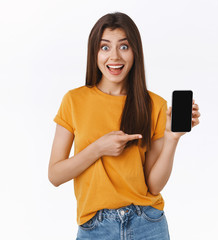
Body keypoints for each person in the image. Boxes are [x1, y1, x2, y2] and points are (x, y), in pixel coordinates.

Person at [48, 12, 201, 240]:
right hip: (95, 227)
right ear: (94, 53)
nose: (115, 57)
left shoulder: (154, 105)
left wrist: (172, 138)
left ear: (135, 52)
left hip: (147, 223)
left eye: (124, 47)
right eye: (105, 47)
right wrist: (99, 148)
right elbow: (55, 175)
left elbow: (154, 185)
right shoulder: (73, 100)